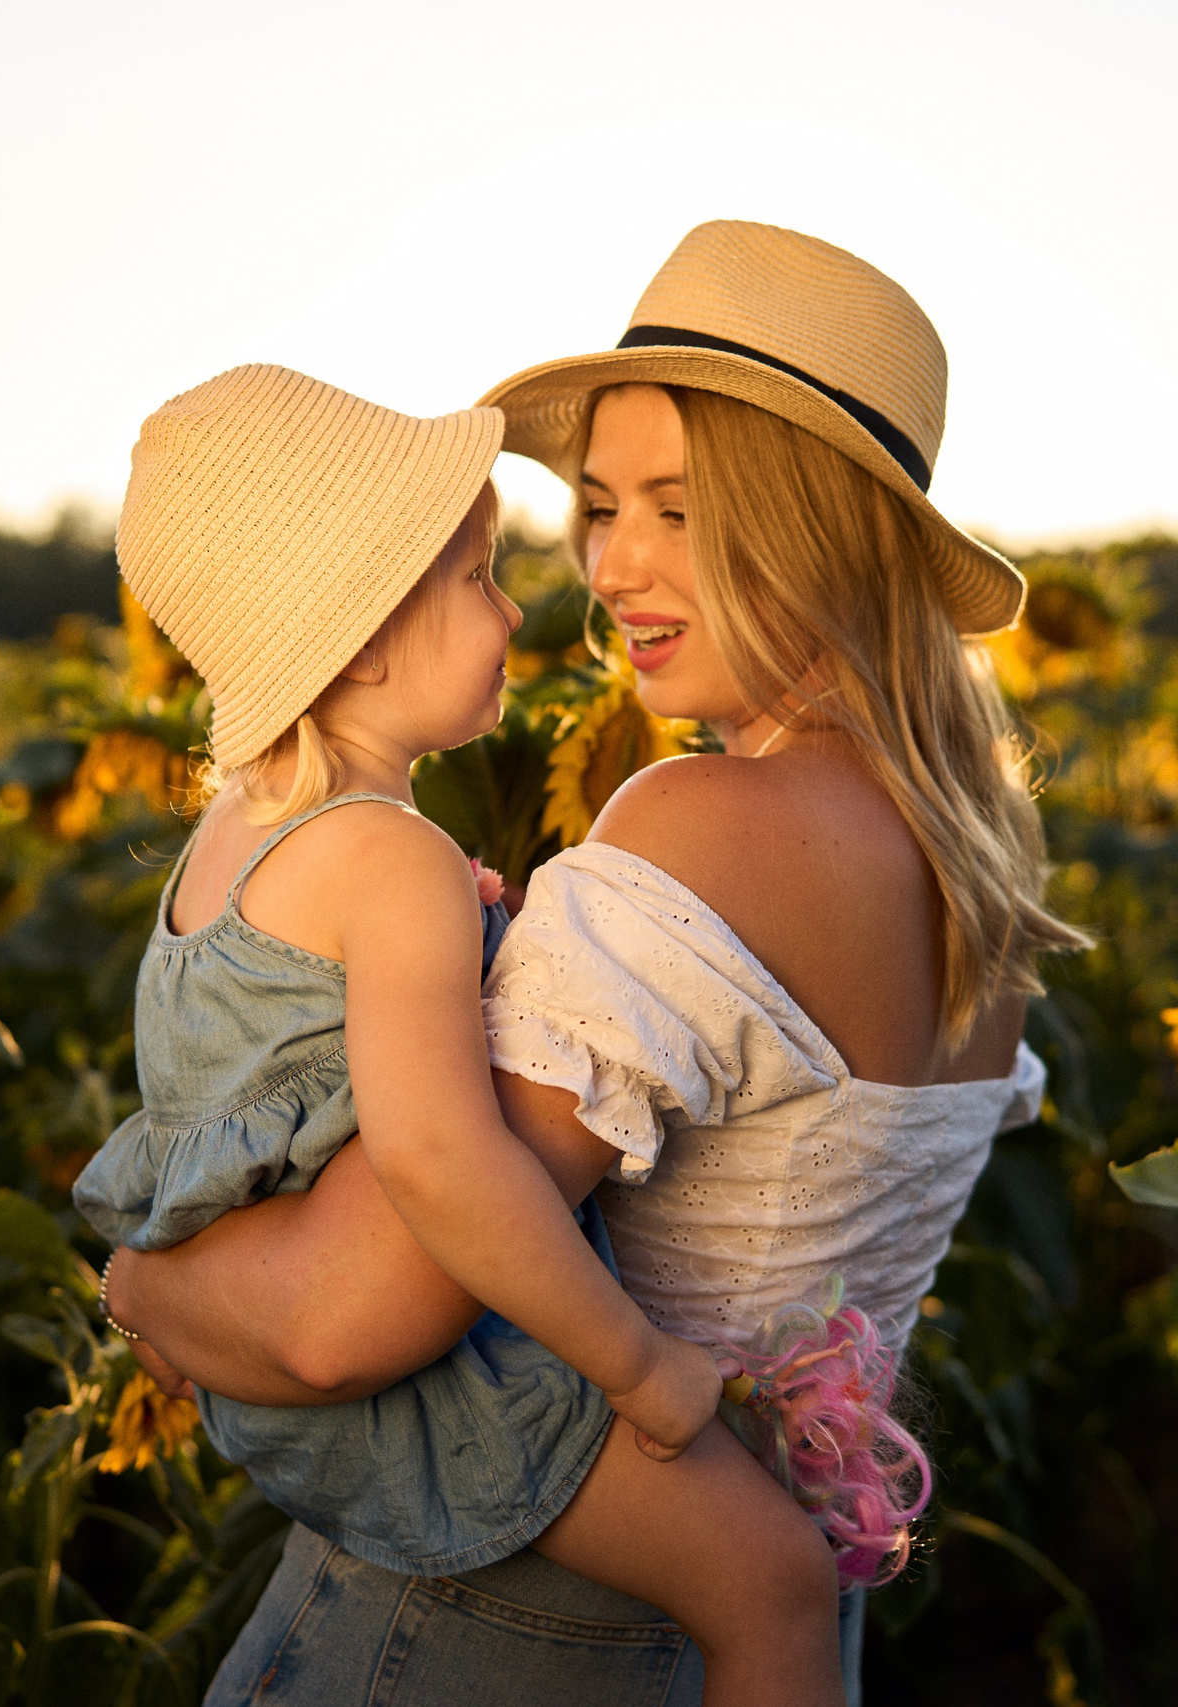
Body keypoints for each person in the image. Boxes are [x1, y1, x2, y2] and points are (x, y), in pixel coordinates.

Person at [105, 221, 1090, 1706]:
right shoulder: (979, 861)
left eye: (680, 511)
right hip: (781, 1625)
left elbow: (338, 1323)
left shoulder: (698, 827)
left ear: (816, 524)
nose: (610, 568)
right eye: (601, 504)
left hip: (489, 1628)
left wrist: (141, 1282)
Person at [73, 362, 846, 1707]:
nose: (518, 605)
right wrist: (639, 1365)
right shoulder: (393, 862)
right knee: (776, 1587)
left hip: (265, 1389)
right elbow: (437, 1162)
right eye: (480, 576)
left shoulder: (233, 844)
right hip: (443, 1394)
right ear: (366, 635)